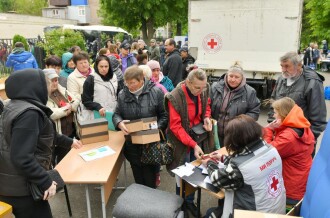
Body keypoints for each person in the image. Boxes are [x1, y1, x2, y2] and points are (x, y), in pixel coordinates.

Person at [0, 69, 82, 218]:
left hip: (9, 183)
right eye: (45, 84)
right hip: (23, 189)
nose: (48, 87)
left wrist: (70, 141)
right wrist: (45, 181)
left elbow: (43, 135)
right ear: (34, 86)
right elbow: (22, 157)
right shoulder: (29, 113)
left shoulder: (12, 105)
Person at [203, 115, 286, 218]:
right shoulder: (271, 149)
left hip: (254, 214)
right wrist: (224, 158)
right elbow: (250, 160)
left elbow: (216, 179)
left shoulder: (239, 169)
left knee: (209, 214)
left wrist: (209, 163)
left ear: (235, 140)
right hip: (276, 211)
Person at [164, 68, 213, 217]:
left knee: (195, 172)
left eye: (203, 87)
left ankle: (190, 202)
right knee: (183, 174)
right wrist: (193, 144)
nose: (201, 90)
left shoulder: (204, 89)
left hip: (197, 137)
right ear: (188, 82)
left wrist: (206, 117)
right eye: (197, 87)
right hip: (181, 141)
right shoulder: (175, 97)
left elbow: (207, 105)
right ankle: (181, 204)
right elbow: (175, 126)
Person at [112, 66, 167, 189]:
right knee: (138, 179)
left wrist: (156, 128)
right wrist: (119, 123)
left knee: (150, 179)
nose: (129, 86)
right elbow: (116, 114)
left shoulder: (156, 92)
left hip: (150, 144)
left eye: (132, 82)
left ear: (141, 79)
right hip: (132, 144)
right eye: (127, 82)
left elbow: (164, 115)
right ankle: (140, 204)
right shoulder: (122, 94)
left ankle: (151, 204)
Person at [268, 51, 327, 155]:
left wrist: (308, 140)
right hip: (281, 138)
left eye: (287, 66)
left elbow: (318, 116)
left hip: (301, 140)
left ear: (299, 65)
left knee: (298, 170)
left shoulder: (312, 82)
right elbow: (273, 103)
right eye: (282, 66)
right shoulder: (282, 79)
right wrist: (272, 126)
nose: (283, 70)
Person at [264, 97, 314, 206]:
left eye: (276, 113)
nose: (273, 116)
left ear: (283, 114)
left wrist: (269, 129)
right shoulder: (301, 126)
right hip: (299, 179)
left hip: (290, 187)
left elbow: (267, 152)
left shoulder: (289, 137)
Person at [210, 61, 260, 146]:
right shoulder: (215, 87)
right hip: (214, 133)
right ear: (226, 75)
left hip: (236, 135)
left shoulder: (250, 92)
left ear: (242, 78)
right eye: (231, 76)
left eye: (237, 77)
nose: (233, 80)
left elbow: (254, 112)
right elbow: (206, 106)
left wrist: (239, 124)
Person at [45, 69, 80, 164]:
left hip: (69, 133)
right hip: (56, 136)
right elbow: (50, 113)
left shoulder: (62, 90)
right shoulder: (43, 95)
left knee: (67, 162)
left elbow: (76, 102)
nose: (55, 83)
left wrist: (70, 106)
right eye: (52, 81)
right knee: (54, 163)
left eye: (56, 80)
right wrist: (66, 110)